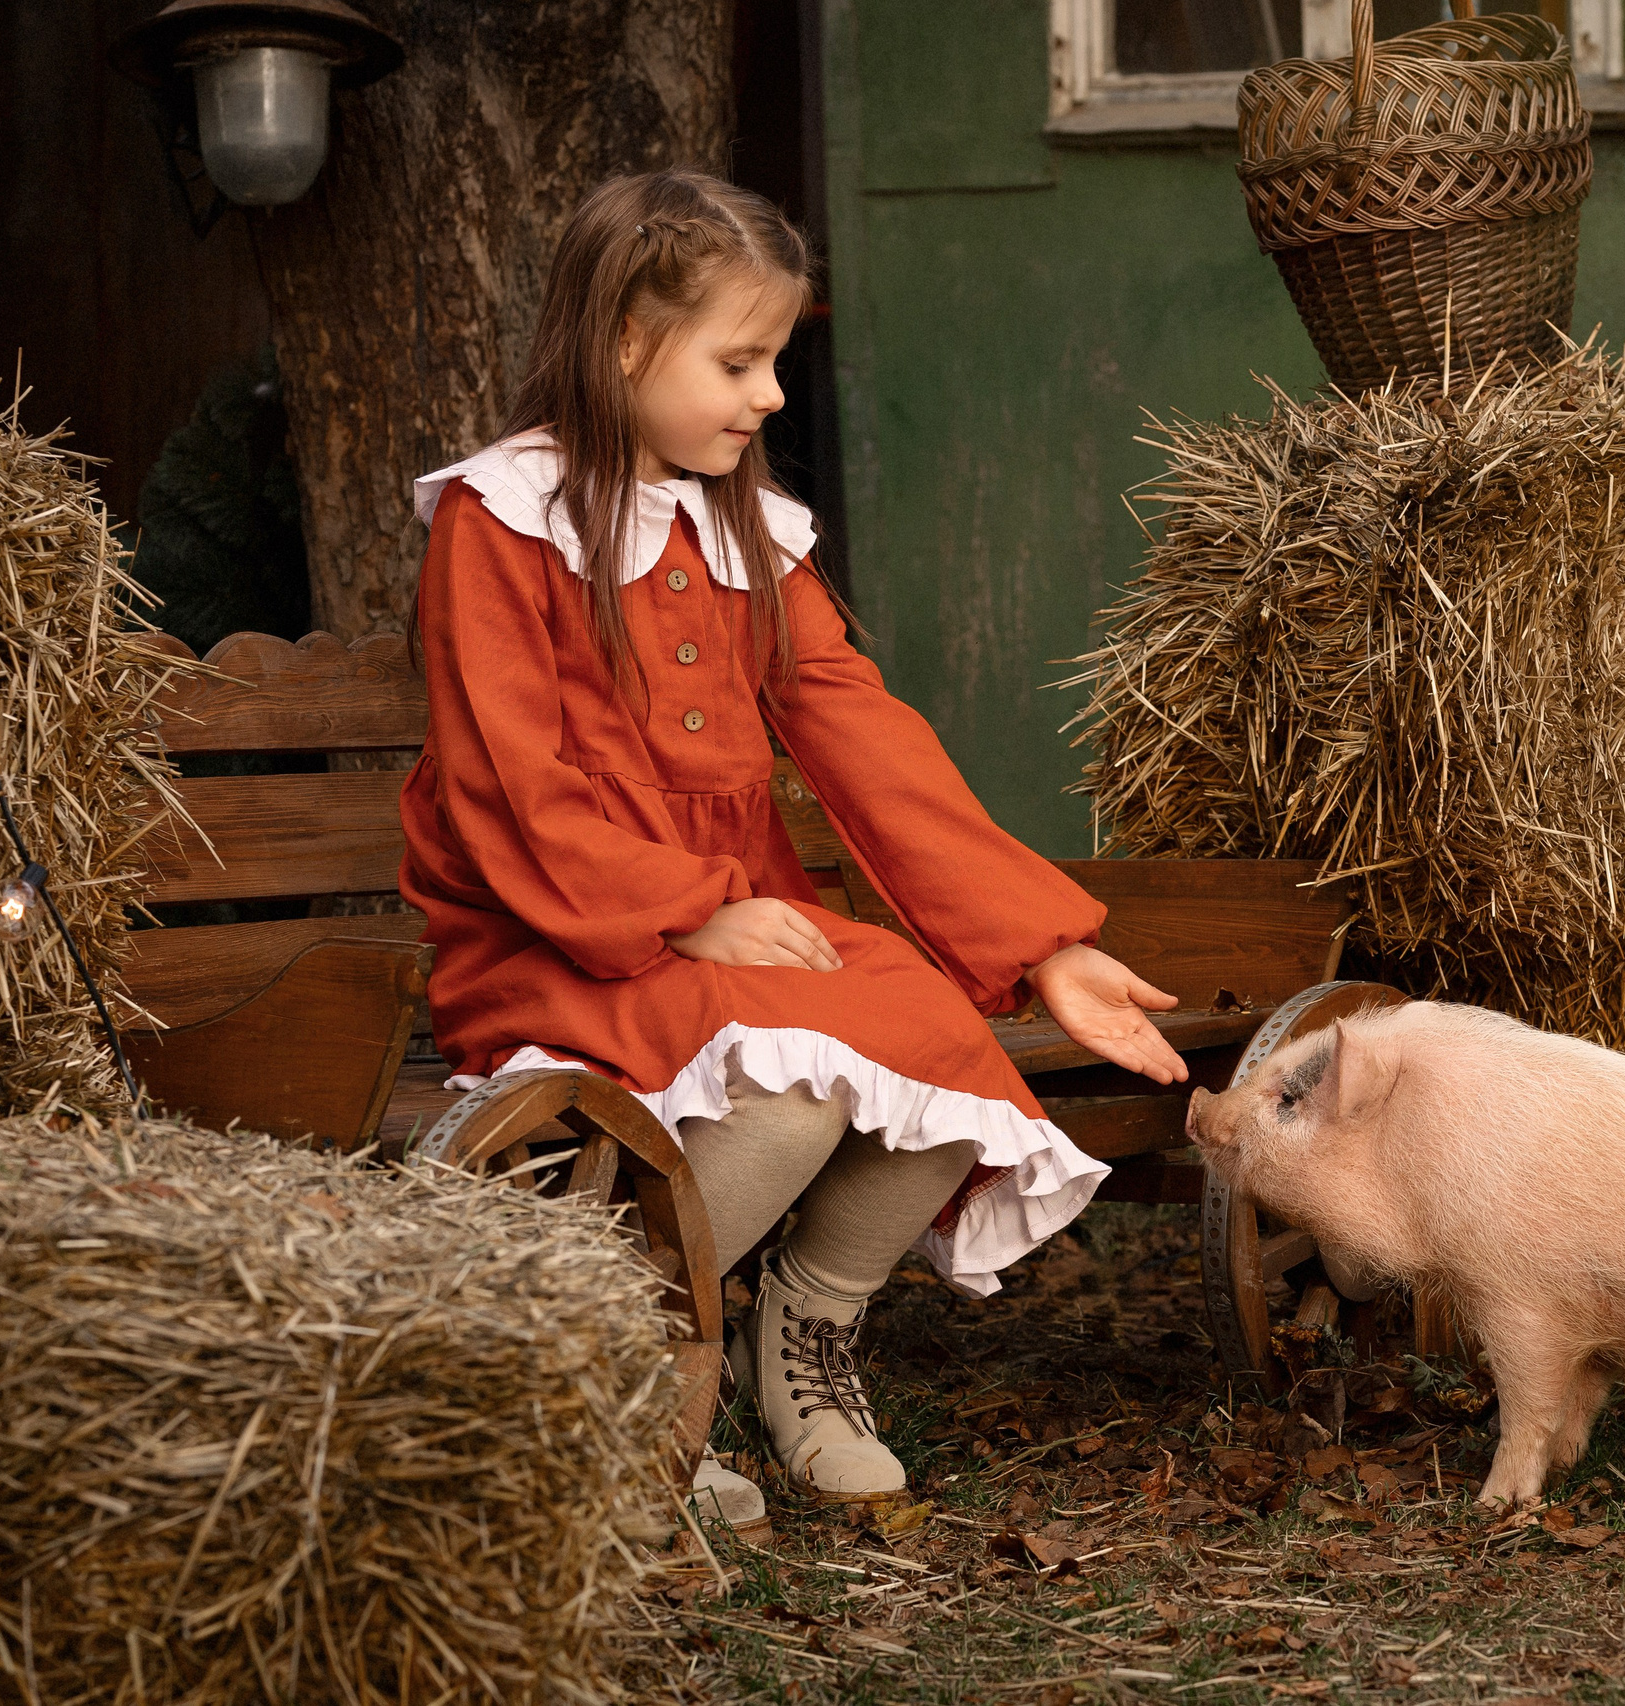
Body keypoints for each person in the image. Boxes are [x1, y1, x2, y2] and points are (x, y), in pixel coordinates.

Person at [399, 169, 1186, 1518]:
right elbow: (507, 778)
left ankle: (806, 1336)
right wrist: (683, 908)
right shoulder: (500, 518)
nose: (770, 396)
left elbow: (859, 733)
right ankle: (630, 1384)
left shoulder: (746, 530)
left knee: (934, 1032)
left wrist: (1044, 949)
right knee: (799, 1089)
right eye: (741, 359)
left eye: (776, 360)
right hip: (560, 930)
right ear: (625, 342)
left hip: (731, 918)